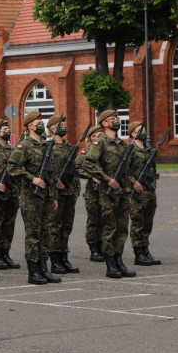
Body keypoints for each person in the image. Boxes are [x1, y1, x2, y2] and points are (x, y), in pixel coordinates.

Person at [82, 110, 136, 279]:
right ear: (104, 123)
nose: (116, 121)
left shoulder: (121, 144)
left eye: (117, 118)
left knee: (122, 228)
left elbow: (128, 168)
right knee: (110, 228)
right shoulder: (100, 142)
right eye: (112, 119)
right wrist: (106, 179)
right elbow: (88, 163)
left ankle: (119, 260)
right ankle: (110, 263)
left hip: (123, 191)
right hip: (108, 193)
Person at [8, 110, 60, 285]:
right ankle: (33, 270)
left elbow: (51, 174)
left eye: (41, 122)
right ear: (29, 126)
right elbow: (12, 168)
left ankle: (44, 268)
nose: (41, 125)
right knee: (33, 234)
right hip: (31, 197)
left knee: (46, 232)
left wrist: (54, 196)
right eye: (38, 122)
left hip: (46, 196)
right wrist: (32, 178)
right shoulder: (24, 146)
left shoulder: (46, 146)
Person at [47, 114, 80, 274]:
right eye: (61, 125)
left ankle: (64, 257)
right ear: (52, 128)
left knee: (66, 226)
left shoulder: (69, 147)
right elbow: (46, 170)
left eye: (65, 125)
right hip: (56, 193)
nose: (64, 127)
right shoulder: (49, 147)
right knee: (55, 226)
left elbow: (74, 170)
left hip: (69, 192)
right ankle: (55, 260)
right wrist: (54, 184)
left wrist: (77, 189)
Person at [127, 120, 162, 267]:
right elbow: (124, 169)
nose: (144, 132)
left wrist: (153, 184)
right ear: (133, 133)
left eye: (144, 130)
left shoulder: (148, 150)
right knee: (137, 222)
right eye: (140, 130)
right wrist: (133, 182)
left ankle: (145, 249)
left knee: (148, 223)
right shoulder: (130, 149)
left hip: (149, 191)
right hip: (137, 192)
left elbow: (153, 170)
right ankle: (138, 253)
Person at [0, 118, 21, 270]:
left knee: (9, 225)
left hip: (12, 192)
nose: (7, 131)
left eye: (8, 129)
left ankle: (6, 253)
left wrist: (19, 193)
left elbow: (17, 171)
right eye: (4, 130)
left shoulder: (12, 149)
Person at [80, 126, 104, 262]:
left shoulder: (105, 150)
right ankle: (94, 248)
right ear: (90, 138)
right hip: (93, 192)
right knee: (94, 220)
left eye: (101, 134)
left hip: (106, 191)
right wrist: (91, 176)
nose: (98, 137)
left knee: (106, 220)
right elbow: (77, 167)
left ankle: (103, 246)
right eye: (96, 135)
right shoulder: (86, 151)